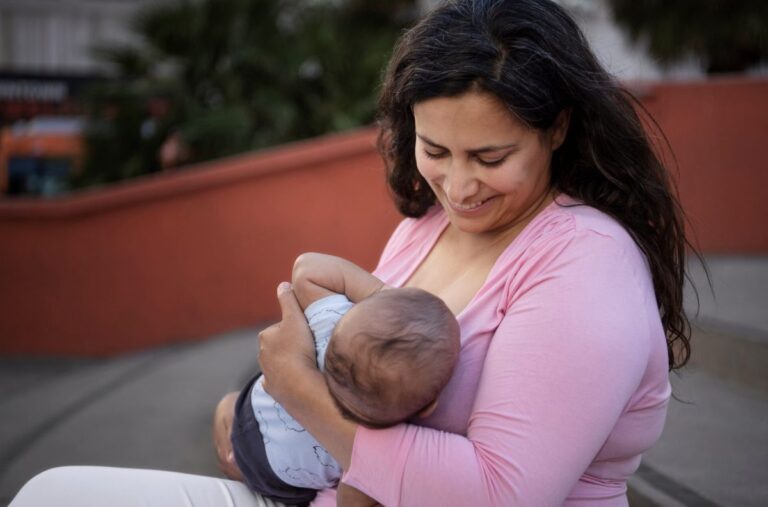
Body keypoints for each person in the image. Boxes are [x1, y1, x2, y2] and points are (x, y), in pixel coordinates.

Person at [10, 0, 694, 505]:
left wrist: (302, 397)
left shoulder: (584, 261)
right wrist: (257, 416)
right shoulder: (428, 225)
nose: (457, 185)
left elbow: (501, 492)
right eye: (436, 150)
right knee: (54, 491)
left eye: (490, 156)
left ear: (558, 129)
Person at [229, 253, 459, 506]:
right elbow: (348, 500)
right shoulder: (375, 449)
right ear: (428, 407)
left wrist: (380, 291)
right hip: (275, 477)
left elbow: (307, 268)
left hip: (253, 405)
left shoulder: (333, 318)